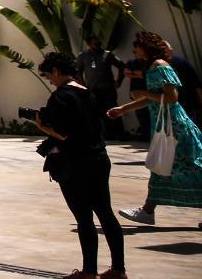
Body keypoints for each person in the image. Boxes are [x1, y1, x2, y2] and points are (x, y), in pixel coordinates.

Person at [33, 51, 126, 279]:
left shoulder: (60, 97)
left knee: (84, 218)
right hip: (98, 158)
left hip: (75, 163)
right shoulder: (88, 94)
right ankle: (118, 269)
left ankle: (88, 272)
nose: (50, 81)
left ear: (56, 71)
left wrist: (42, 127)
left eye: (48, 76)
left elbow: (62, 133)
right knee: (106, 213)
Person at [107, 30, 202, 228]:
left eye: (137, 46)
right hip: (165, 125)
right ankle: (147, 211)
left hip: (175, 126)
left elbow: (171, 97)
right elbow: (154, 98)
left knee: (191, 167)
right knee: (162, 167)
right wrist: (124, 109)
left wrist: (144, 93)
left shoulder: (160, 66)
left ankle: (147, 211)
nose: (134, 50)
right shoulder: (151, 67)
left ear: (147, 47)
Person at [77, 33, 126, 141]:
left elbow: (121, 66)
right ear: (89, 44)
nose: (98, 46)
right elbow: (78, 71)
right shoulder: (83, 56)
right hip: (93, 89)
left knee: (113, 110)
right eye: (95, 44)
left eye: (99, 43)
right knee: (96, 112)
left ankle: (120, 134)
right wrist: (82, 84)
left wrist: (119, 81)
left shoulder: (107, 54)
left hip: (108, 88)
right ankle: (104, 134)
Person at [125, 50, 150, 140]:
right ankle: (146, 134)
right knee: (140, 113)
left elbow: (146, 73)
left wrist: (135, 73)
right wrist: (139, 75)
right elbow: (127, 73)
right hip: (136, 90)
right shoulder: (131, 62)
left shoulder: (148, 62)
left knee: (150, 112)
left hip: (148, 90)